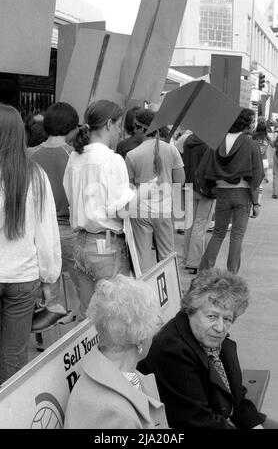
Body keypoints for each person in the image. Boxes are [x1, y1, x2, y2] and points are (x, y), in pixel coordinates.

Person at [138, 268, 278, 429]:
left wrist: (254, 424)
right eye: (211, 316)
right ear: (190, 311)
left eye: (227, 319)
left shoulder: (212, 339)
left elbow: (236, 394)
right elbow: (197, 421)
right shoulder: (172, 351)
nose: (220, 327)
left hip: (220, 417)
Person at [63, 100, 158, 321]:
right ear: (108, 124)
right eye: (117, 126)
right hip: (106, 245)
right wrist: (146, 191)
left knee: (89, 315)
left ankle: (91, 355)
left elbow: (71, 195)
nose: (119, 132)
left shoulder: (75, 157)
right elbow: (121, 210)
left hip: (80, 243)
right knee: (115, 316)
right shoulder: (111, 159)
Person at [0, 104, 61, 383]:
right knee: (14, 355)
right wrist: (49, 278)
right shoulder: (34, 174)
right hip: (23, 278)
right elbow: (46, 233)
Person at [64, 274, 168, 429]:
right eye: (154, 326)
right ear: (139, 339)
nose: (155, 334)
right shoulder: (115, 414)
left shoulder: (109, 373)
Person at [29, 102, 83, 329]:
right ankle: (79, 336)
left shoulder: (29, 155)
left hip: (38, 232)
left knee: (46, 294)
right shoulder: (75, 156)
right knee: (82, 288)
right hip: (70, 230)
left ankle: (45, 341)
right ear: (72, 128)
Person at [196, 108, 264, 274]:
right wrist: (255, 203)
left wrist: (210, 188)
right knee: (237, 236)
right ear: (246, 124)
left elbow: (202, 170)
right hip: (242, 194)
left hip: (222, 193)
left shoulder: (216, 142)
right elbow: (256, 175)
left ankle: (204, 272)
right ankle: (232, 275)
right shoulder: (250, 144)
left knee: (218, 234)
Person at [125, 108, 185, 274]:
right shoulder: (171, 150)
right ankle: (169, 294)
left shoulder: (132, 155)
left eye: (135, 126)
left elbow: (129, 189)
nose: (133, 130)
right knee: (166, 257)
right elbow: (180, 181)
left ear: (142, 128)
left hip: (140, 211)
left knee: (142, 257)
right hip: (164, 210)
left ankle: (146, 294)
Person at [182, 133, 215, 275]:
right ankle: (194, 261)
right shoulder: (210, 143)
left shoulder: (187, 140)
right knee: (201, 224)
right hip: (204, 187)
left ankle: (187, 258)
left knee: (190, 223)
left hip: (189, 184)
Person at [252, 119, 274, 202]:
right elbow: (273, 145)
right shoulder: (267, 137)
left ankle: (253, 201)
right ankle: (258, 202)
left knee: (253, 183)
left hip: (255, 161)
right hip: (264, 162)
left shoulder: (253, 137)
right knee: (260, 184)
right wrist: (267, 136)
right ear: (265, 129)